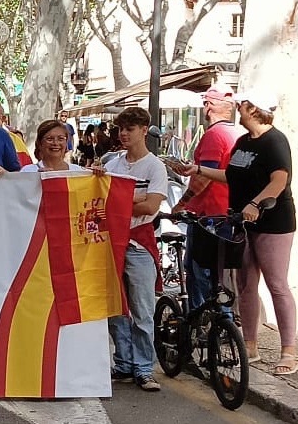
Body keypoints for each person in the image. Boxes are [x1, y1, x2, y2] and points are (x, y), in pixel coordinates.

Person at [173, 90, 298, 376]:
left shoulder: (275, 141)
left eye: (241, 106)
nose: (237, 110)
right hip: (241, 221)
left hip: (272, 222)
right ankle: (250, 345)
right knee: (245, 283)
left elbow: (279, 180)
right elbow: (230, 175)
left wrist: (256, 203)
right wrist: (198, 170)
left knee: (276, 284)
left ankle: (290, 351)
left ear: (253, 109)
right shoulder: (243, 142)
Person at [98, 106, 166, 393]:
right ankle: (124, 363)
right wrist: (131, 200)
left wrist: (118, 203)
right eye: (121, 129)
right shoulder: (112, 164)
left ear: (143, 131)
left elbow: (151, 206)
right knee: (115, 307)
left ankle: (144, 367)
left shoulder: (155, 167)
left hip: (139, 242)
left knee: (142, 309)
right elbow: (99, 198)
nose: (124, 134)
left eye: (130, 129)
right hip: (112, 241)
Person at [170, 86, 243, 310]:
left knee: (198, 272)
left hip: (207, 215)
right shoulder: (236, 133)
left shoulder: (213, 135)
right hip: (228, 212)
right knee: (219, 274)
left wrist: (181, 204)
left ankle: (202, 320)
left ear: (208, 106)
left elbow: (204, 177)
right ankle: (223, 318)